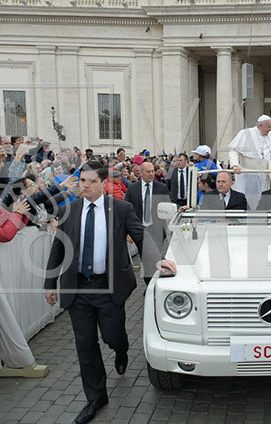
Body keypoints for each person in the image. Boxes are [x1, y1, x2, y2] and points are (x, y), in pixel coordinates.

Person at [44, 161, 176, 424]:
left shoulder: (121, 209)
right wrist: (49, 283)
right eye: (82, 180)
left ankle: (121, 349)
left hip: (109, 287)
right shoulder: (68, 210)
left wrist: (157, 259)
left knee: (112, 336)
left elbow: (140, 235)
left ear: (104, 183)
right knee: (85, 345)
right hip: (78, 288)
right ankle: (96, 397)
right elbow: (58, 248)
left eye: (92, 181)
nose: (85, 185)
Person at [124, 161, 170, 283]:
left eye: (152, 171)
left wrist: (178, 208)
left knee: (156, 257)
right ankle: (149, 282)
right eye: (148, 172)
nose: (151, 174)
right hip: (140, 230)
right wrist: (128, 230)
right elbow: (127, 209)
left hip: (156, 229)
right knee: (145, 258)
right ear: (141, 173)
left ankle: (154, 282)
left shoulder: (162, 188)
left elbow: (169, 204)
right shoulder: (133, 188)